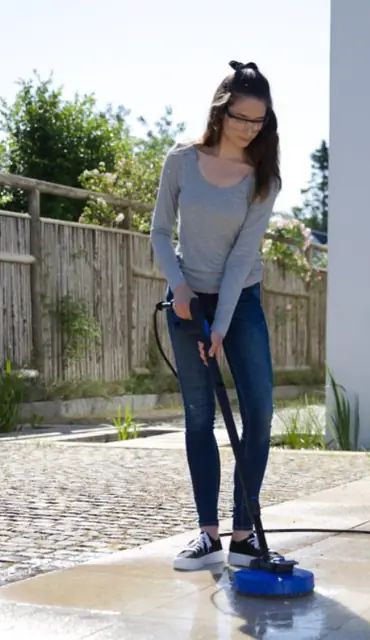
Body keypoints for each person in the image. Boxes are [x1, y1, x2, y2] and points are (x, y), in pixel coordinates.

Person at [150, 60, 280, 571]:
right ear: (221, 111)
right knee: (199, 416)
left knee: (260, 413)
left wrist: (221, 324)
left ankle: (244, 535)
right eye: (241, 118)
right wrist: (180, 289)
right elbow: (161, 232)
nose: (249, 129)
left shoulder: (263, 178)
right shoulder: (182, 161)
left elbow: (243, 257)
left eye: (258, 121)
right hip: (186, 299)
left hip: (240, 301)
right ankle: (208, 534)